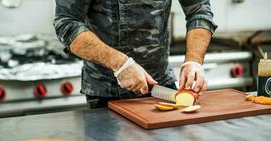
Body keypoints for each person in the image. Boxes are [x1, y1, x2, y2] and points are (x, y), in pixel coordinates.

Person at [54, 0, 217, 108]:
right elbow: (67, 23)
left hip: (160, 86)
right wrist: (120, 64)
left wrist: (194, 61)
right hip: (106, 91)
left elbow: (199, 9)